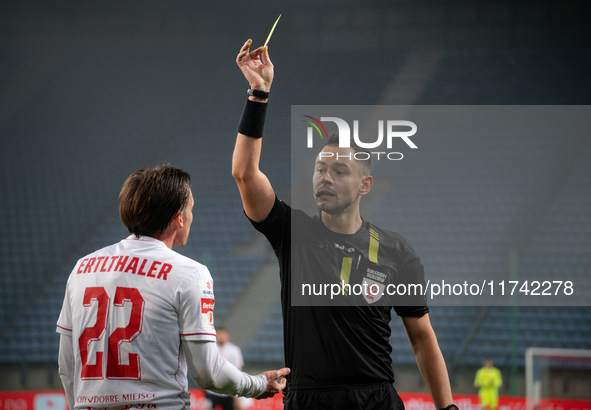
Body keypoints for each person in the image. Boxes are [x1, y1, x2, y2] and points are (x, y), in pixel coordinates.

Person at [232, 39, 457, 410]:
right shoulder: (293, 232)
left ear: (365, 184)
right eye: (321, 169)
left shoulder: (397, 251)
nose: (325, 178)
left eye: (339, 171)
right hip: (309, 401)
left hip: (375, 399)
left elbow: (421, 339)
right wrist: (258, 94)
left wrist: (447, 407)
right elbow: (244, 173)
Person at [56, 163, 289, 410]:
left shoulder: (82, 268)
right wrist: (258, 384)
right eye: (190, 209)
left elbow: (67, 365)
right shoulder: (189, 274)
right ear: (179, 217)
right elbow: (208, 372)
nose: (192, 216)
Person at [205, 327, 246, 410]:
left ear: (227, 336)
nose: (221, 336)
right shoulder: (210, 349)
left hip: (228, 390)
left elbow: (237, 369)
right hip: (212, 389)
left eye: (223, 334)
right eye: (218, 334)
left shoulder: (234, 350)